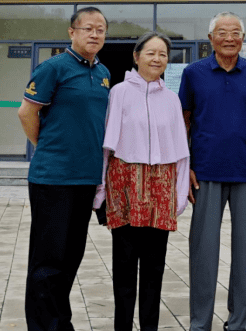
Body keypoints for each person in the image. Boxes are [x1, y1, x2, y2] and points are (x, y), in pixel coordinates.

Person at [179, 12, 246, 331]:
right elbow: (184, 121)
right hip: (205, 171)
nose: (229, 38)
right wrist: (184, 167)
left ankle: (238, 322)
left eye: (235, 32)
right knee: (203, 252)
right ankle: (200, 323)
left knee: (245, 251)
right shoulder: (193, 73)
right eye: (222, 32)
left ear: (243, 39)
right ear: (211, 39)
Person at [18, 6, 110, 331]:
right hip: (53, 177)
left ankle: (60, 321)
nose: (95, 34)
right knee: (48, 259)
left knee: (71, 256)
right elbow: (26, 112)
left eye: (100, 29)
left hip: (86, 178)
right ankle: (44, 326)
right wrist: (46, 145)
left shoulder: (103, 72)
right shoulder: (54, 67)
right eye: (88, 28)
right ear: (72, 32)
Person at [94, 32, 190, 331]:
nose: (157, 59)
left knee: (154, 268)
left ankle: (150, 327)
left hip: (161, 186)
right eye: (151, 53)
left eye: (163, 54)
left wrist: (180, 195)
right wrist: (100, 192)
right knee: (124, 266)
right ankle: (122, 327)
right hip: (124, 184)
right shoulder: (119, 92)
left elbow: (181, 151)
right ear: (136, 57)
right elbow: (107, 146)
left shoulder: (171, 99)